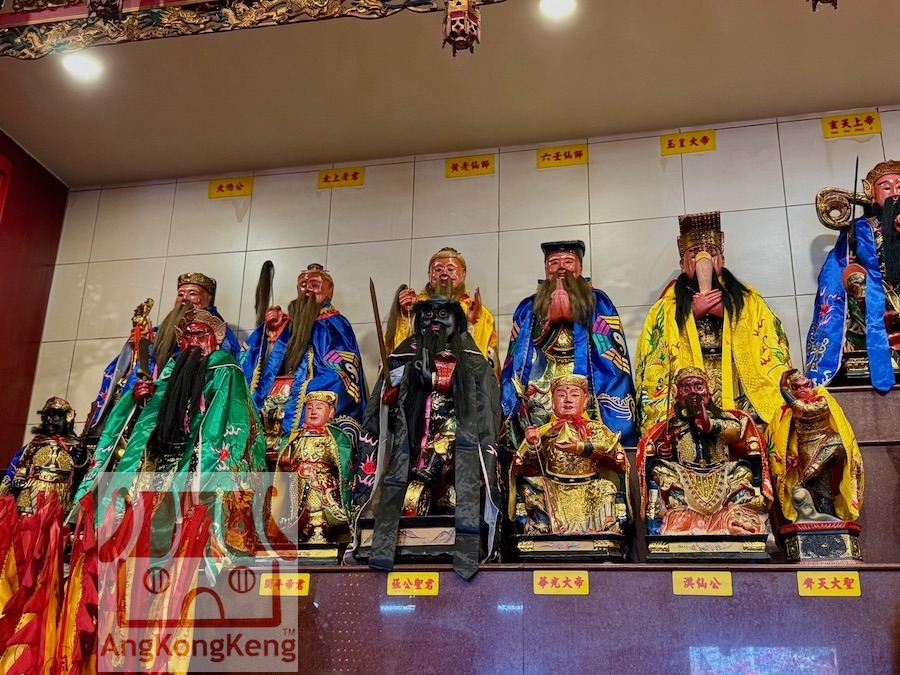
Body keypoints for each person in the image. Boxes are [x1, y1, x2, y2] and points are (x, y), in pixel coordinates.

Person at [73, 308, 265, 557]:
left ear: (216, 338)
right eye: (187, 336)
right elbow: (146, 425)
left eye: (201, 335)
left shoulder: (226, 371)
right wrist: (141, 401)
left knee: (206, 499)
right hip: (162, 459)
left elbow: (231, 422)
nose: (193, 342)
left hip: (200, 457)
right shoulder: (170, 374)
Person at [353, 296, 502, 579]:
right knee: (406, 483)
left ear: (458, 320)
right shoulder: (403, 354)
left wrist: (435, 380)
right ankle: (395, 537)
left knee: (450, 485)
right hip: (411, 442)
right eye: (428, 314)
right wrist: (395, 391)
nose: (434, 320)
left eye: (443, 314)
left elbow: (482, 399)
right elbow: (384, 400)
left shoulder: (471, 357)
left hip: (454, 441)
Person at [635, 211, 792, 436]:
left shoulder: (748, 300)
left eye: (711, 252)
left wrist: (732, 315)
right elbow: (654, 350)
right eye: (694, 254)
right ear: (682, 263)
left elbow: (770, 338)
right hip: (691, 387)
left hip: (737, 385)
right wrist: (688, 316)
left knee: (750, 427)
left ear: (723, 260)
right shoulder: (666, 305)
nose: (704, 259)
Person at [500, 240, 637, 449]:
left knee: (589, 420)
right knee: (534, 415)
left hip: (587, 377)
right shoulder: (530, 307)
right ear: (546, 268)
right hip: (546, 377)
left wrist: (576, 315)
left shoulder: (597, 302)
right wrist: (547, 320)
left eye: (568, 262)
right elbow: (520, 351)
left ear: (580, 267)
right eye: (554, 262)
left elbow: (608, 346)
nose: (561, 267)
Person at [86, 272, 240, 441]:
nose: (185, 298)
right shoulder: (159, 331)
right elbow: (144, 365)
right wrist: (142, 345)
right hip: (157, 395)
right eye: (181, 294)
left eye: (192, 293)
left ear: (208, 298)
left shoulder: (218, 332)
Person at [241, 263, 365, 468]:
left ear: (330, 289)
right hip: (274, 403)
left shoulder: (335, 323)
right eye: (303, 285)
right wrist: (270, 332)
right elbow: (255, 360)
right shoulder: (285, 322)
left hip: (307, 403)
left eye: (315, 285)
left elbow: (341, 370)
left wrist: (307, 390)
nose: (308, 289)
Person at [637, 367, 772, 537]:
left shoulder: (723, 416)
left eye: (698, 387)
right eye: (686, 388)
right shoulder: (672, 423)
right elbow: (653, 446)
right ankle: (679, 511)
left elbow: (735, 431)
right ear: (677, 395)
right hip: (683, 473)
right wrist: (662, 450)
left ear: (709, 391)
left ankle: (737, 509)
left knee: (743, 471)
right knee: (659, 469)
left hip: (723, 472)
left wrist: (711, 425)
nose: (693, 392)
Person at [805, 159, 900, 391]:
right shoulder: (859, 229)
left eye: (899, 186)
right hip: (875, 299)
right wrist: (857, 281)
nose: (895, 193)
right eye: (886, 187)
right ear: (872, 194)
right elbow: (839, 268)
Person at [510, 375, 630, 536]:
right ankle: (542, 524)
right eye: (561, 395)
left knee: (605, 488)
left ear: (585, 400)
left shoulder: (595, 428)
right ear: (553, 401)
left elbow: (610, 451)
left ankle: (604, 526)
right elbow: (532, 467)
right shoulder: (545, 432)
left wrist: (580, 447)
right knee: (529, 487)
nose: (567, 400)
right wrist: (533, 445)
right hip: (554, 488)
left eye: (574, 395)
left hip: (588, 488)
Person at [386, 246, 500, 376]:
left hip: (460, 380)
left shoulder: (477, 311)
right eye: (438, 269)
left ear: (463, 273)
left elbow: (482, 360)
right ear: (429, 274)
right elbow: (398, 353)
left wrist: (471, 323)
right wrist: (407, 315)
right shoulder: (417, 306)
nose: (444, 273)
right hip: (419, 377)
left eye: (450, 269)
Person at [768, 369, 863, 523]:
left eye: (805, 386)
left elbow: (805, 410)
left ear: (811, 385)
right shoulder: (787, 412)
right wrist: (790, 454)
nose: (802, 390)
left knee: (836, 446)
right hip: (805, 448)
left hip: (828, 440)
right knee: (820, 488)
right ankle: (827, 519)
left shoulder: (822, 401)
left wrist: (784, 390)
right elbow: (784, 435)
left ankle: (804, 480)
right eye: (796, 387)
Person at [267, 391, 353, 546]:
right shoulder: (295, 437)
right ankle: (301, 532)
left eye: (319, 408)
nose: (313, 411)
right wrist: (286, 462)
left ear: (331, 413)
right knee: (296, 509)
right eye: (309, 408)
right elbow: (285, 458)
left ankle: (319, 531)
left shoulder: (334, 438)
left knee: (316, 505)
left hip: (320, 480)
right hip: (297, 481)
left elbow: (342, 463)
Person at [1, 397, 85, 515]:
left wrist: (82, 458)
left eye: (55, 417)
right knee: (27, 521)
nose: (50, 421)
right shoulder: (35, 444)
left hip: (61, 492)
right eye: (47, 417)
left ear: (67, 418)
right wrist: (19, 478)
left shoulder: (74, 446)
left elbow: (85, 472)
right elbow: (23, 464)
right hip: (32, 491)